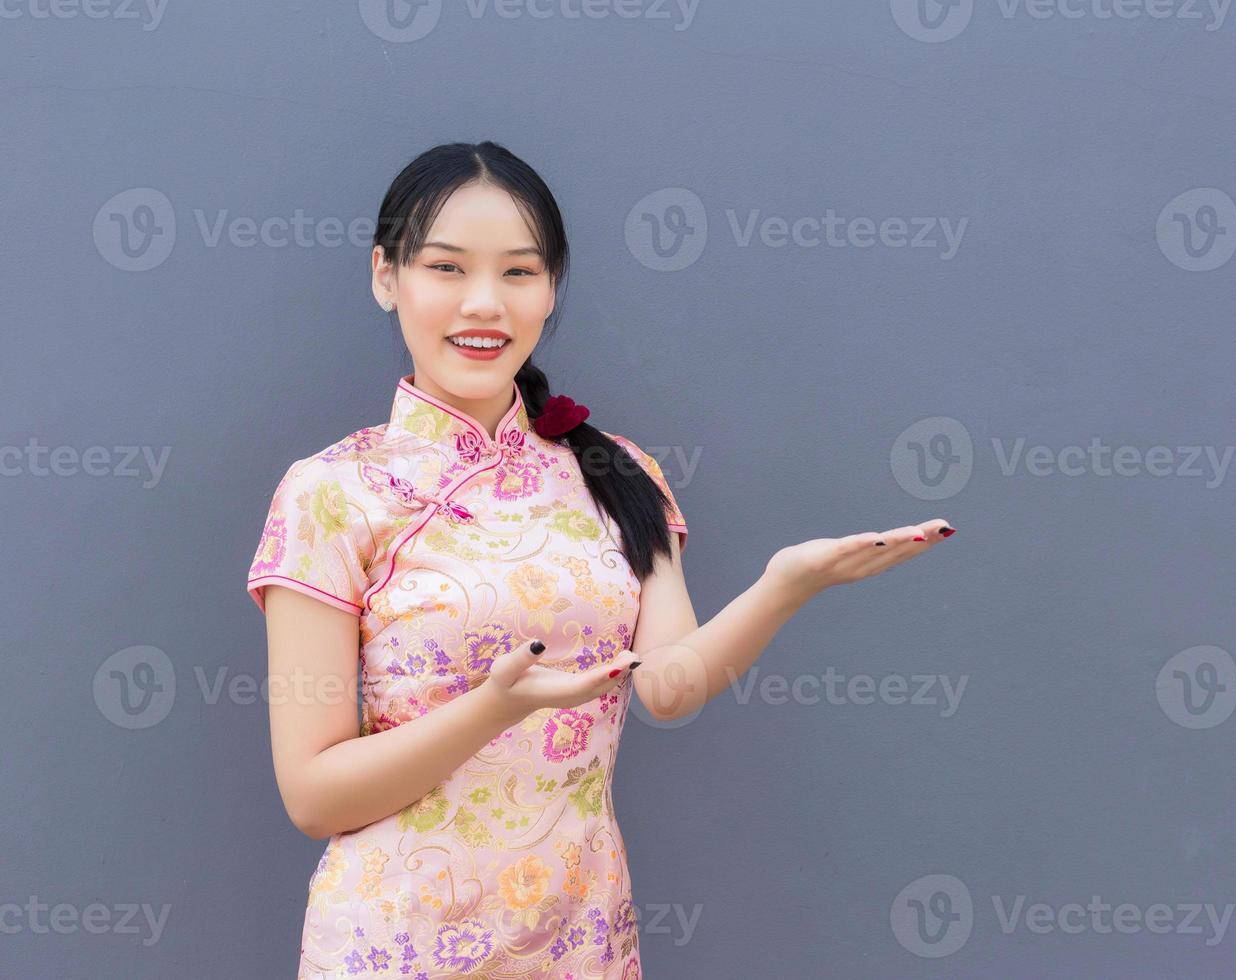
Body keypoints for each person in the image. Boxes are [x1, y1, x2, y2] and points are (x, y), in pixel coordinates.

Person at [246, 140, 956, 979]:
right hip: (394, 946)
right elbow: (313, 794)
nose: (485, 304)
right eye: (446, 268)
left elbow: (669, 686)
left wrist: (784, 586)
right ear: (385, 276)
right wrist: (493, 708)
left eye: (519, 273)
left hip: (578, 937)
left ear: (551, 288)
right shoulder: (331, 492)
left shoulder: (616, 473)